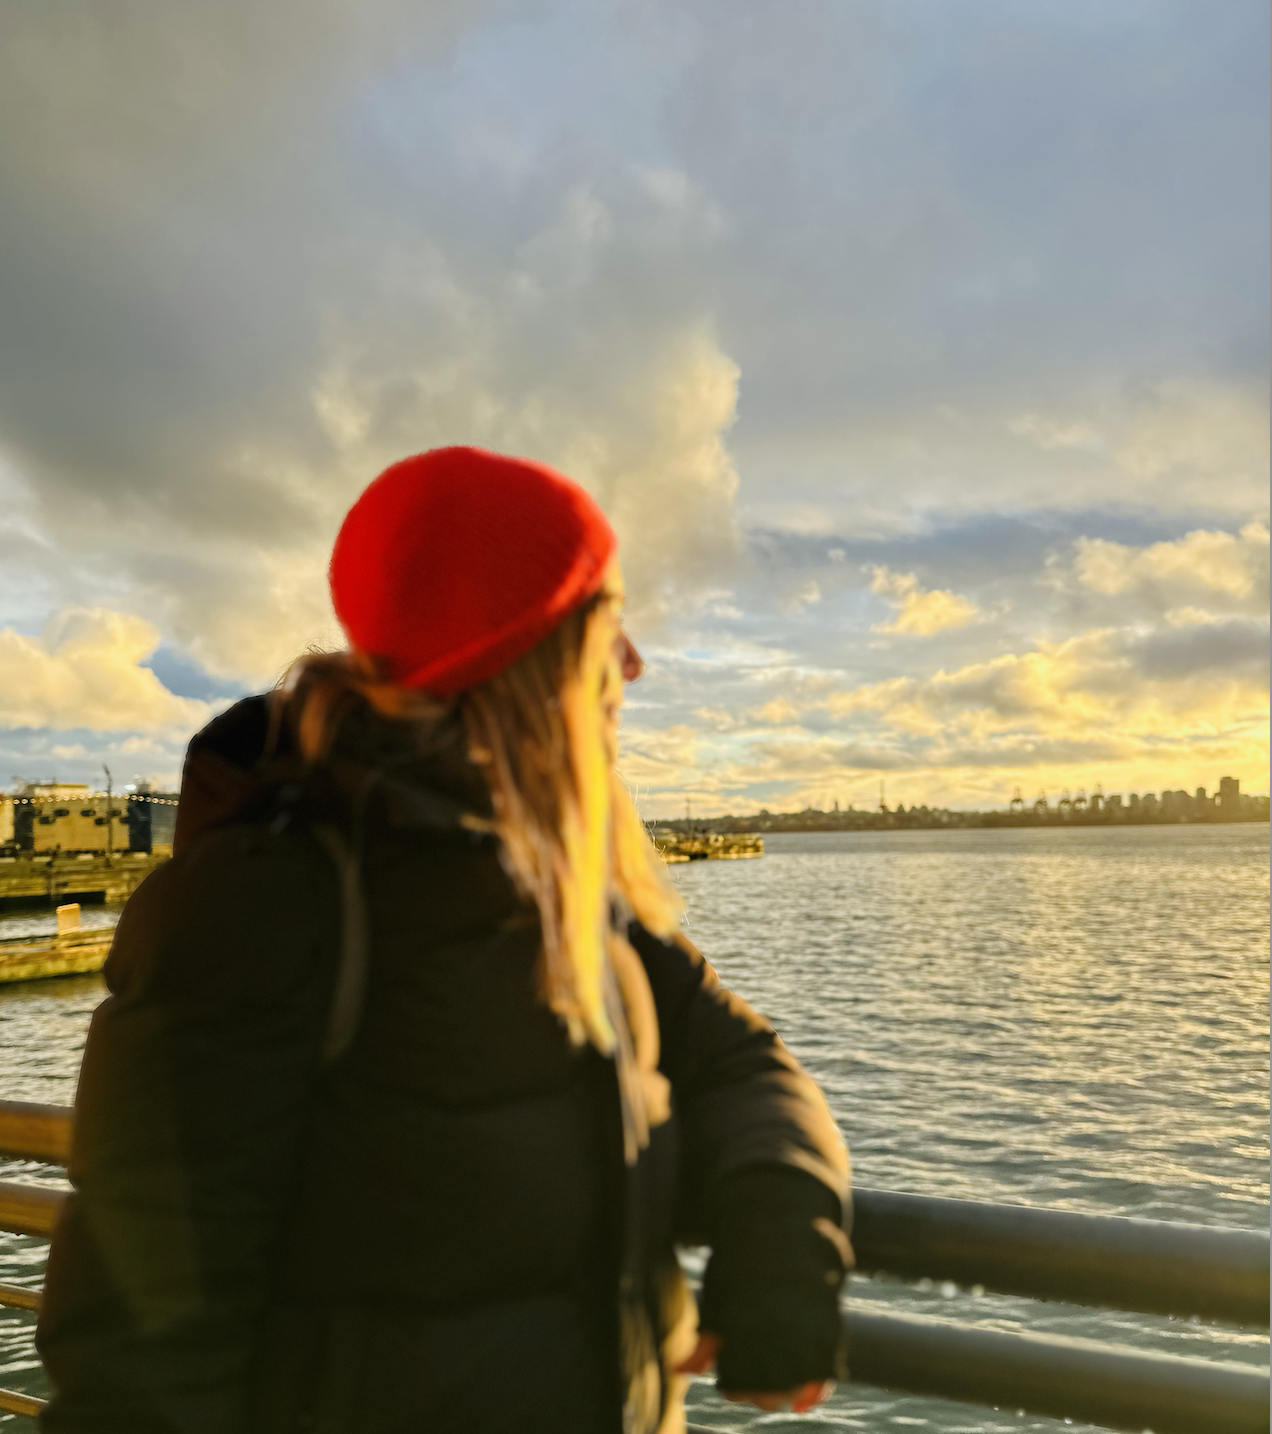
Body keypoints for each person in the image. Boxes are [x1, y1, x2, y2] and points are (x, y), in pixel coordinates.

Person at [36, 447, 851, 1434]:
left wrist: (781, 1226)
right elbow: (141, 1341)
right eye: (607, 622)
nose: (632, 664)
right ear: (525, 654)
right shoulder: (262, 903)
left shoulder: (573, 891)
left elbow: (740, 1058)